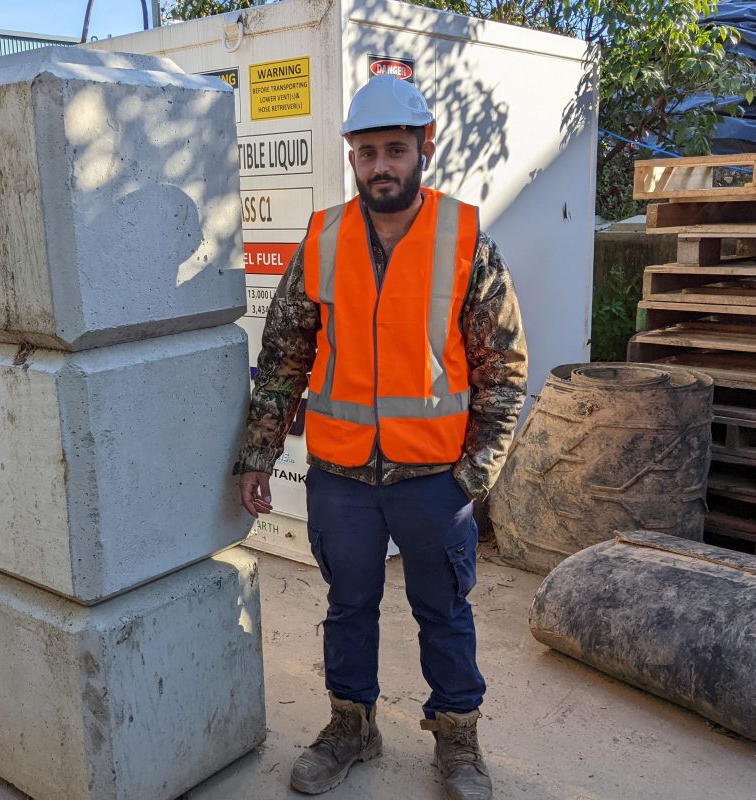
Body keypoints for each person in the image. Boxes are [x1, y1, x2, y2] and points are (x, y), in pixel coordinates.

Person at [234, 75, 527, 799]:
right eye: (366, 154)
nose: (380, 167)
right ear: (351, 158)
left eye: (394, 149)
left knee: (443, 612)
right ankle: (350, 728)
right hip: (340, 475)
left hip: (433, 479)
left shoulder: (464, 240)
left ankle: (457, 742)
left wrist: (475, 476)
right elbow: (283, 358)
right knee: (347, 607)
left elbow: (504, 370)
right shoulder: (323, 239)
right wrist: (258, 454)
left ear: (424, 147)